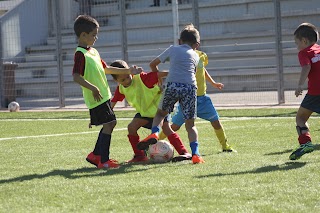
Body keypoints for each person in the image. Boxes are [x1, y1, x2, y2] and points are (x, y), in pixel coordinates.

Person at [72, 15, 139, 169]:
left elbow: (106, 68)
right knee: (110, 123)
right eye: (94, 34)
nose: (96, 37)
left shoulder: (93, 51)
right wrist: (93, 88)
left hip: (103, 96)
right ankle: (104, 160)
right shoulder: (80, 54)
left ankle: (96, 155)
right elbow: (76, 76)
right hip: (96, 97)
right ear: (83, 35)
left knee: (109, 124)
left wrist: (128, 70)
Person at [137, 23, 205, 164]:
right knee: (190, 125)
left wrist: (160, 79)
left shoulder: (173, 49)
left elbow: (152, 64)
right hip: (190, 88)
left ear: (179, 41)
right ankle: (196, 154)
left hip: (172, 84)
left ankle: (154, 133)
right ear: (197, 45)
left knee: (160, 114)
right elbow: (191, 72)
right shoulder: (197, 56)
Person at [110, 60, 192, 163]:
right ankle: (140, 156)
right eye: (123, 80)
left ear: (130, 72)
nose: (127, 80)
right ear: (116, 81)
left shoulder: (142, 78)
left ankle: (184, 152)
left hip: (159, 111)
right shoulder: (121, 88)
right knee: (131, 127)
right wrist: (106, 115)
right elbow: (113, 102)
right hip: (145, 113)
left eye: (128, 76)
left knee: (167, 129)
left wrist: (175, 73)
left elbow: (157, 74)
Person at [158, 50, 236, 153]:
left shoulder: (202, 55)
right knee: (174, 127)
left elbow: (202, 69)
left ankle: (225, 146)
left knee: (216, 122)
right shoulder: (182, 56)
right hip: (186, 98)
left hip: (203, 99)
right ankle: (155, 141)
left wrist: (213, 83)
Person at [289, 22, 320, 160]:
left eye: (297, 43)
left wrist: (300, 85)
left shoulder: (304, 52)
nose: (297, 47)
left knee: (300, 117)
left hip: (315, 92)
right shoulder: (319, 49)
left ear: (304, 41)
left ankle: (306, 143)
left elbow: (306, 67)